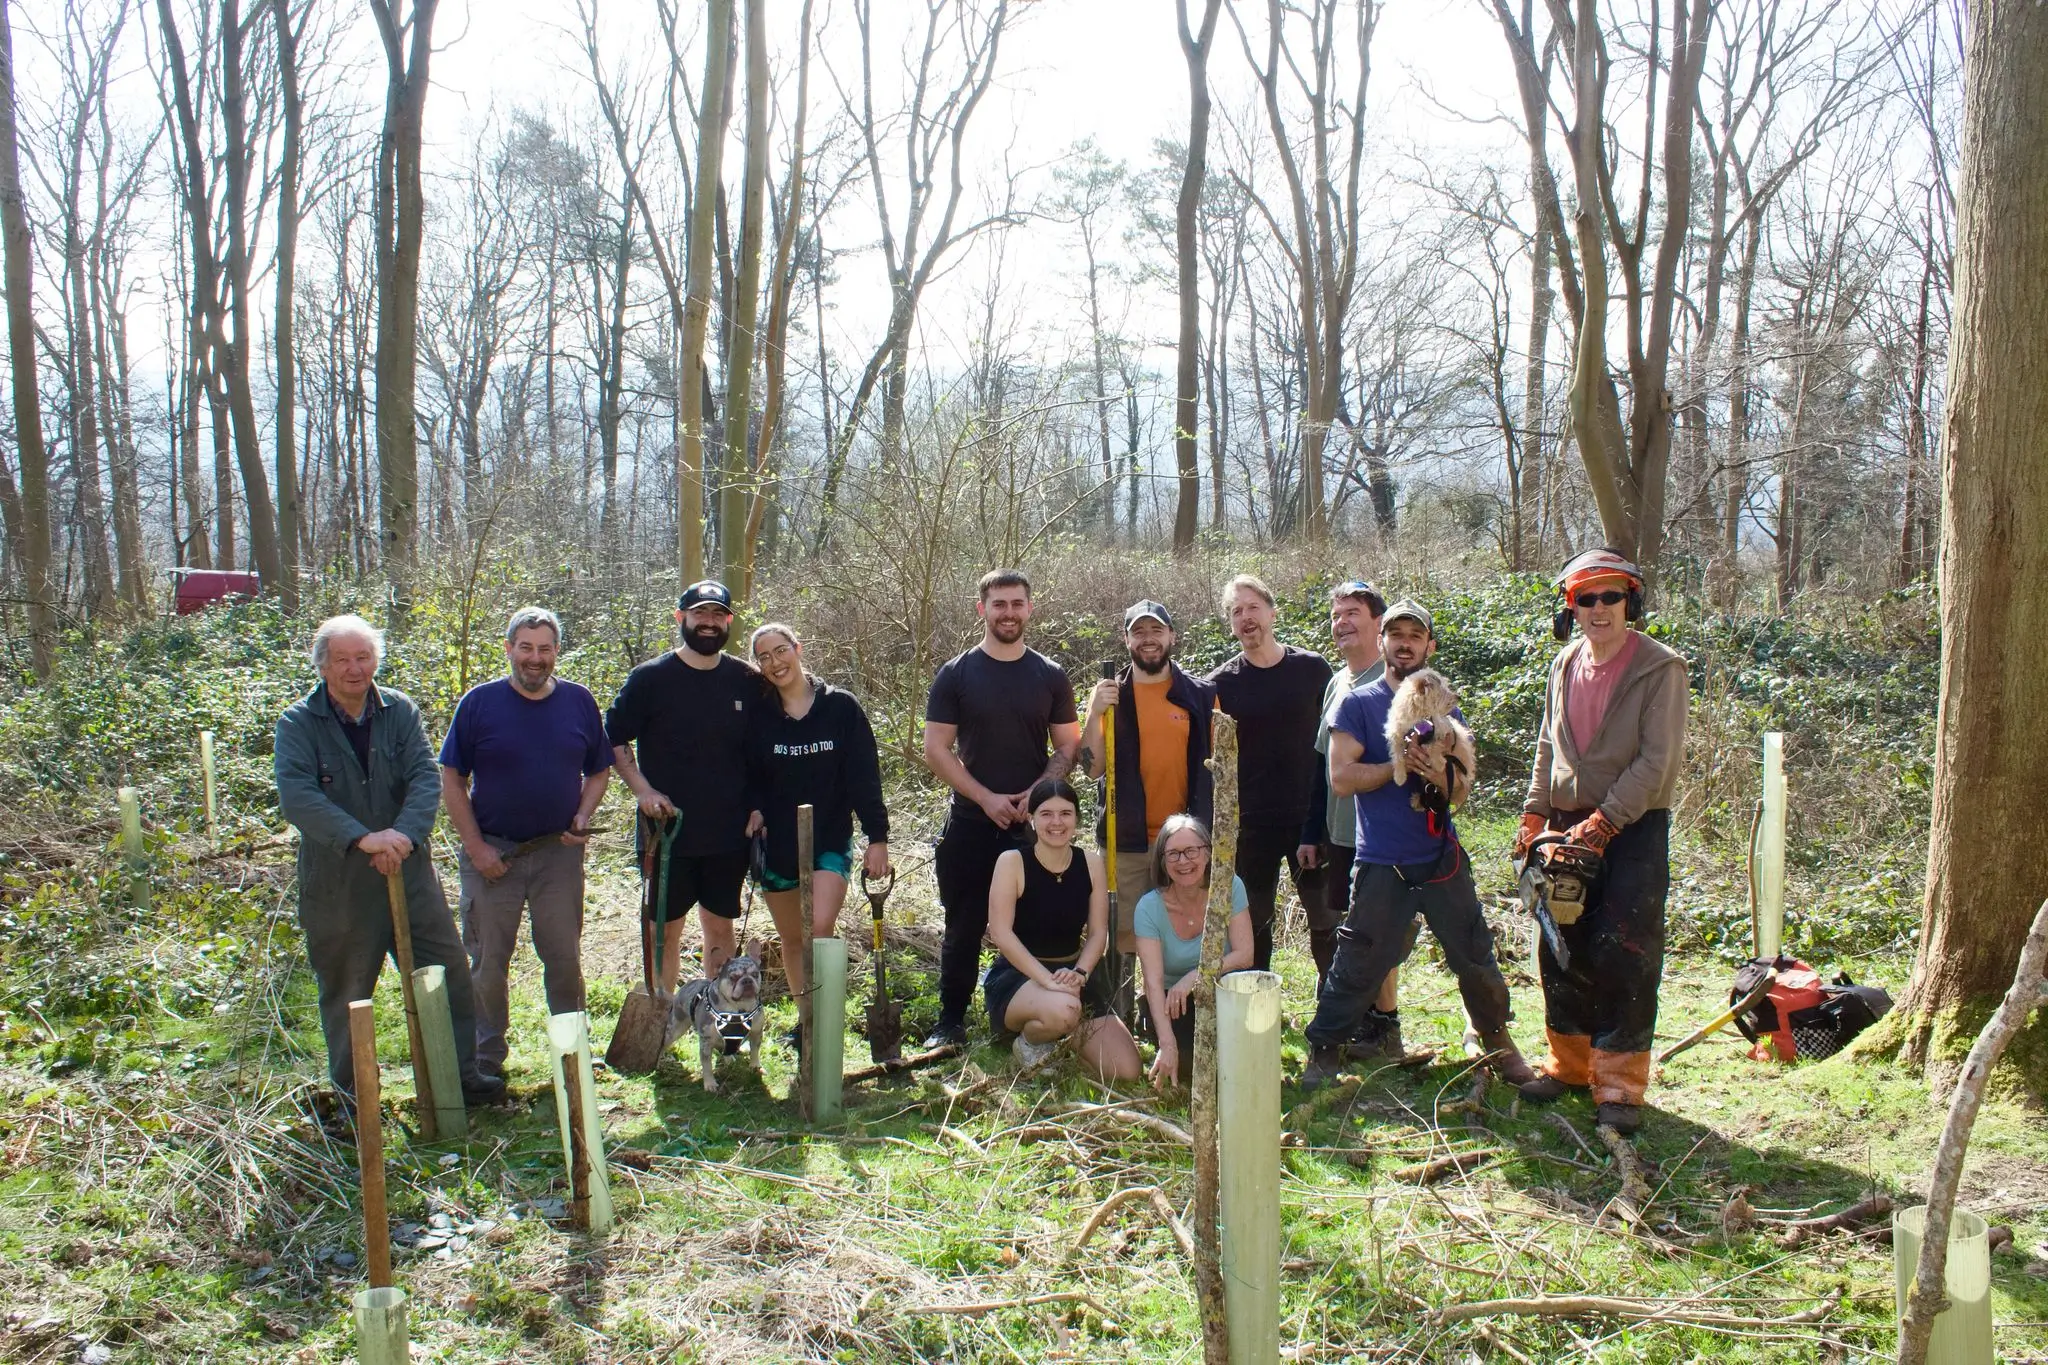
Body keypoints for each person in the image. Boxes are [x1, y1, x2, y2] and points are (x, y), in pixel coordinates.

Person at [1301, 601, 1536, 1089]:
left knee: (1474, 950)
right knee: (1358, 957)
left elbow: (1462, 790)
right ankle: (1324, 1049)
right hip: (1381, 859)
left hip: (1439, 854)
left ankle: (1496, 1038)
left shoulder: (1442, 701)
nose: (1404, 642)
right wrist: (1399, 766)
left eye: (1415, 634)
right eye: (1395, 634)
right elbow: (1341, 778)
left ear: (1429, 645)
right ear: (1382, 642)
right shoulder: (1357, 703)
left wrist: (1441, 775)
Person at [275, 614, 500, 1112]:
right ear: (323, 667)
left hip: (409, 871)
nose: (355, 669)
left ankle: (459, 1079)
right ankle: (353, 1097)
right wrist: (362, 839)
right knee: (348, 989)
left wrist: (402, 834)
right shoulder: (298, 723)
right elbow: (298, 797)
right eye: (342, 660)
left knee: (447, 972)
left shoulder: (399, 711)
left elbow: (425, 776)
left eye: (363, 657)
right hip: (339, 883)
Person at [1512, 548, 1688, 1135]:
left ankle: (1619, 1084)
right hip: (1566, 819)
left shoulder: (1660, 669)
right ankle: (1568, 1065)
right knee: (1561, 945)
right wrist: (1536, 813)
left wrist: (1606, 822)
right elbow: (1546, 746)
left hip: (1632, 827)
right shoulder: (1563, 664)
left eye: (1610, 596)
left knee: (1625, 950)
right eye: (1586, 598)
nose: (1598, 608)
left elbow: (1656, 762)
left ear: (1630, 602)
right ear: (1571, 608)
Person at [439, 607, 611, 1083]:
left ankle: (573, 1050)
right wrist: (475, 847)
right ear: (509, 649)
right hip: (494, 854)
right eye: (526, 648)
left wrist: (582, 815)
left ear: (557, 652)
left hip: (557, 852)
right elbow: (452, 778)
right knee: (489, 961)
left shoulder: (578, 702)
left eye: (545, 649)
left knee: (563, 957)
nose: (535, 659)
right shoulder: (480, 703)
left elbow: (599, 769)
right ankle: (486, 1059)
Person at [921, 571, 1080, 1048]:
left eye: (1016, 603)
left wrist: (1034, 796)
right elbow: (936, 749)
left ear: (1030, 608)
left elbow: (1068, 747)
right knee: (964, 925)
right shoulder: (956, 674)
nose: (1008, 613)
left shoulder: (1050, 675)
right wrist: (985, 798)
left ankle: (1023, 1014)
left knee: (1034, 925)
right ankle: (949, 1023)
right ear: (982, 609)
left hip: (1033, 829)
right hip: (972, 824)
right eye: (998, 604)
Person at [605, 581, 761, 992]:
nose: (708, 623)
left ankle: (724, 1026)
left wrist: (759, 805)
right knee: (661, 934)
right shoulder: (650, 679)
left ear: (728, 621)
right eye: (699, 614)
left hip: (728, 834)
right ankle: (659, 1022)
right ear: (681, 618)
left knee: (721, 930)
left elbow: (764, 750)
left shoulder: (747, 680)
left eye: (717, 615)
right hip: (665, 834)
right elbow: (614, 737)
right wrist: (642, 790)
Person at [745, 622, 891, 1010]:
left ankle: (828, 1019)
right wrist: (755, 809)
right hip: (776, 845)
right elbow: (749, 773)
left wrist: (877, 838)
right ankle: (807, 1022)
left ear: (798, 648)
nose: (775, 662)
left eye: (781, 651)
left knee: (819, 929)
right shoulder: (759, 716)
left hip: (829, 838)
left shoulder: (840, 707)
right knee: (792, 939)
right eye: (764, 657)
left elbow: (864, 776)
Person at [1207, 574, 1333, 971]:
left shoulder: (1312, 669)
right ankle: (1256, 1009)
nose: (1245, 617)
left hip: (1310, 819)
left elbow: (1336, 741)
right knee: (1254, 923)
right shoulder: (1221, 684)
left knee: (1326, 919)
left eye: (1252, 607)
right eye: (1236, 611)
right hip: (1251, 825)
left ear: (1272, 613)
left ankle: (1336, 1013)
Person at [1078, 598, 1216, 951]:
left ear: (1172, 636)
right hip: (1125, 841)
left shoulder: (1201, 696)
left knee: (1181, 932)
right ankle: (1121, 1004)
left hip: (1185, 843)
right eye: (1139, 631)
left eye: (1156, 630)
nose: (1148, 638)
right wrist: (1095, 713)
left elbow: (1222, 769)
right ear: (1126, 640)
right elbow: (1091, 767)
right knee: (1123, 934)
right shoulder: (1110, 695)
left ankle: (1161, 1005)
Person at [983, 779, 1142, 1079]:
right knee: (1064, 1010)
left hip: (1075, 974)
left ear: (1077, 819)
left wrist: (1080, 973)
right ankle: (1030, 1041)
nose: (1056, 822)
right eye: (1046, 814)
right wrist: (1048, 980)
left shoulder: (1091, 863)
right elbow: (1001, 933)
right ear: (1031, 818)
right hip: (1021, 976)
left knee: (1127, 1070)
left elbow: (1098, 933)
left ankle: (1064, 1041)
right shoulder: (1013, 862)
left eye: (1065, 813)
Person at [1315, 580, 1411, 1058]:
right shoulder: (1338, 683)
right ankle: (1362, 1021)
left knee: (1382, 930)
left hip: (1384, 836)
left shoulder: (1398, 683)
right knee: (1353, 929)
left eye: (1353, 613)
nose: (1343, 623)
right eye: (1336, 615)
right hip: (1340, 832)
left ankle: (1385, 1027)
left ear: (1379, 623)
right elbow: (1322, 768)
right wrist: (1314, 831)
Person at [1132, 815, 1253, 1089]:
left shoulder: (1228, 887)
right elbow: (1152, 982)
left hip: (1222, 992)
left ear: (1208, 853)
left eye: (1191, 851)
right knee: (1189, 1064)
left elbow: (1245, 954)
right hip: (1172, 1004)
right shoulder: (1148, 908)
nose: (1183, 861)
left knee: (1235, 1064)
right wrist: (1167, 1044)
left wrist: (1194, 976)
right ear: (1162, 861)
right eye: (1173, 854)